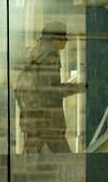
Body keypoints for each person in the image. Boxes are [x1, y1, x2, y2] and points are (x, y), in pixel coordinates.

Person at [17, 21, 88, 153]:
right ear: (56, 37)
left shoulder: (35, 53)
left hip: (32, 114)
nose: (66, 40)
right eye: (65, 36)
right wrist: (76, 88)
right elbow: (51, 89)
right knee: (65, 158)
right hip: (47, 118)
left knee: (28, 160)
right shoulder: (50, 55)